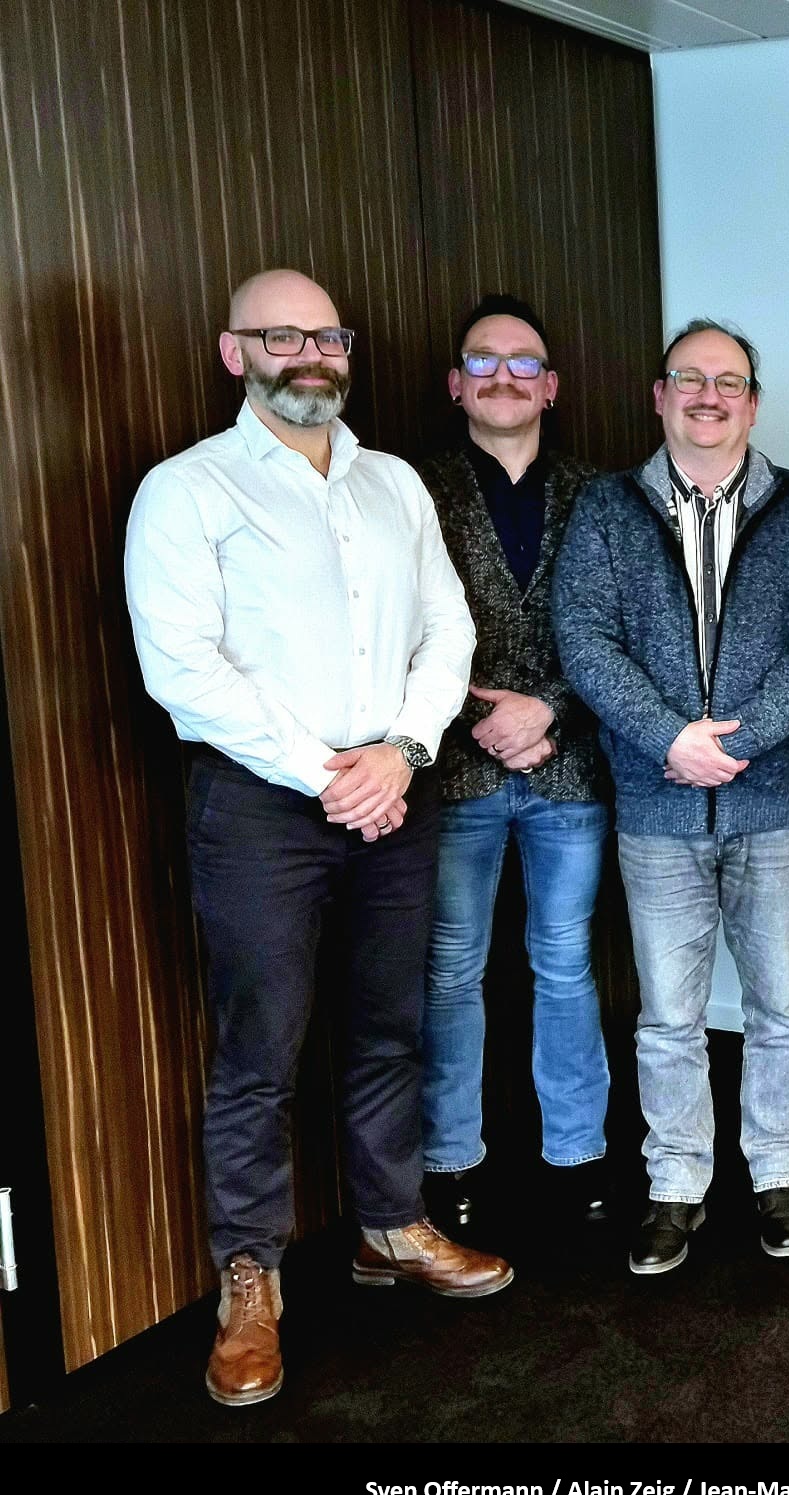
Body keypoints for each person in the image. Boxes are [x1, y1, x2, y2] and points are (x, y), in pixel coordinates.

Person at [124, 269, 511, 1409]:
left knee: (391, 1026)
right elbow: (183, 669)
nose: (310, 355)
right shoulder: (185, 491)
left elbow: (448, 627)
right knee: (262, 1049)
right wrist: (331, 775)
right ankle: (250, 1281)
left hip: (394, 789)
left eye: (328, 336)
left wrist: (402, 751)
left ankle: (390, 1226)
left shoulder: (393, 483)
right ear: (233, 351)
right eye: (281, 335)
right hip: (261, 807)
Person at [554, 319, 789, 1276]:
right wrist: (670, 739)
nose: (708, 396)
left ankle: (779, 1174)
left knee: (782, 1005)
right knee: (668, 1016)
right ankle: (676, 1183)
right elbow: (585, 641)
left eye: (728, 382)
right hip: (657, 802)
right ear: (660, 395)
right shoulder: (606, 510)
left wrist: (738, 744)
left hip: (776, 800)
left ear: (753, 404)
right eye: (690, 378)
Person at [417, 294, 611, 1234]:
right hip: (453, 772)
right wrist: (482, 719)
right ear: (456, 384)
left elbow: (622, 632)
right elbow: (391, 631)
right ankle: (449, 1161)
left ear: (551, 386)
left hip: (568, 772)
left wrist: (550, 713)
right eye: (483, 361)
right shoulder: (407, 489)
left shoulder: (600, 494)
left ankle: (577, 1156)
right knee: (451, 970)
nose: (504, 376)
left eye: (523, 361)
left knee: (565, 964)